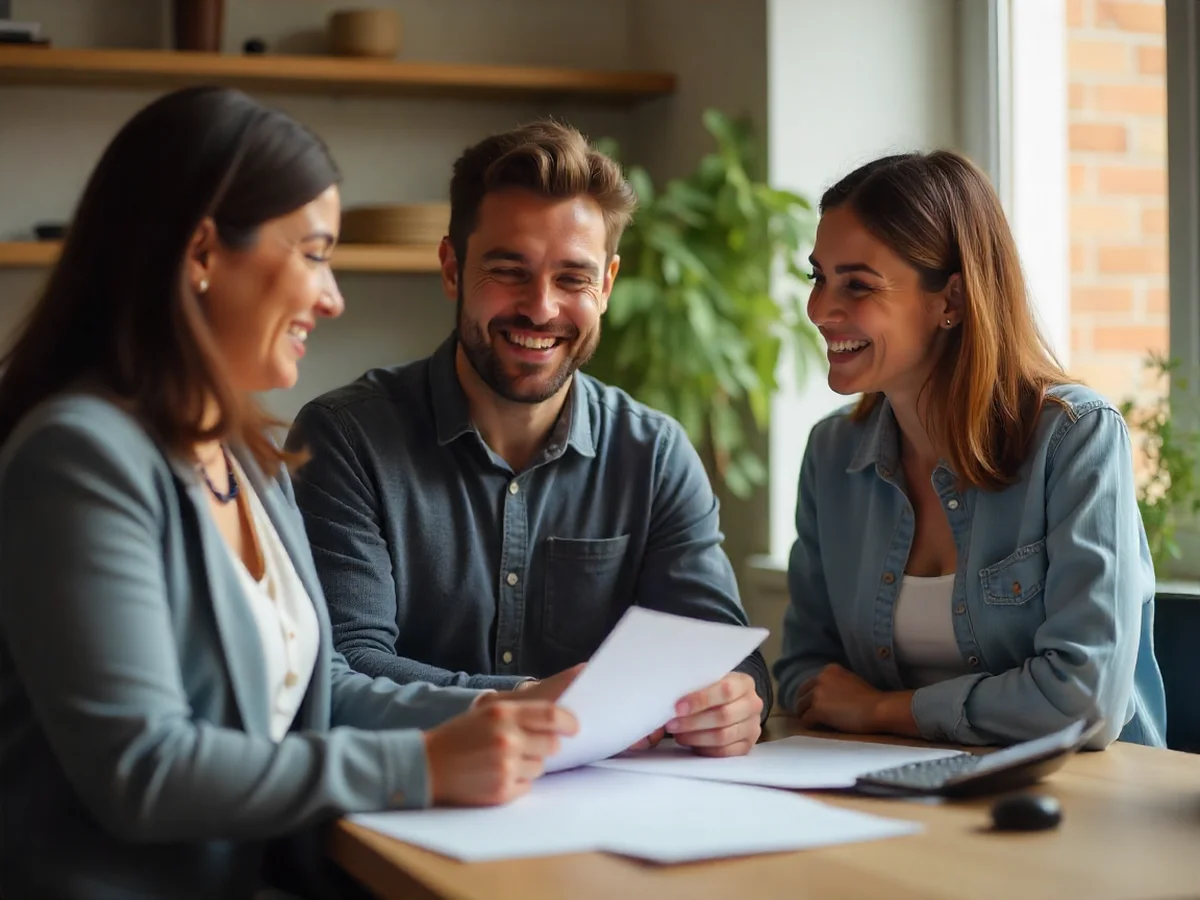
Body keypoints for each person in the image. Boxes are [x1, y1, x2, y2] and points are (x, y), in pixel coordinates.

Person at [0, 87, 579, 900]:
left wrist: (510, 702)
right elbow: (145, 767)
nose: (332, 296)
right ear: (202, 252)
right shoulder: (78, 459)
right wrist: (417, 765)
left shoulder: (253, 460)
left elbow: (321, 692)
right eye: (312, 253)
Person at [285, 120, 771, 757]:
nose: (541, 308)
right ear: (452, 270)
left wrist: (733, 700)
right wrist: (538, 702)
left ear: (608, 284)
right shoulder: (346, 439)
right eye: (510, 271)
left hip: (606, 816)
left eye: (573, 278)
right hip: (406, 810)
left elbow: (725, 658)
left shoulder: (654, 454)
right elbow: (347, 668)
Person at [773, 150, 1167, 750]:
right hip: (894, 789)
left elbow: (1085, 700)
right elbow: (805, 668)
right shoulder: (833, 453)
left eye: (857, 284)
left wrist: (883, 710)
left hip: (1086, 804)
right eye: (818, 277)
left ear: (951, 301)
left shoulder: (1075, 436)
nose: (820, 309)